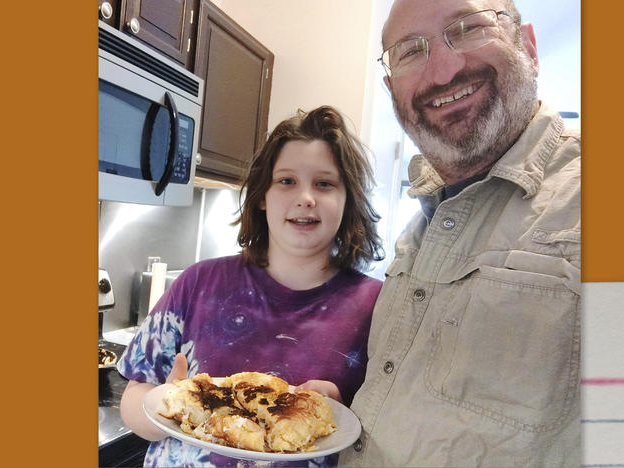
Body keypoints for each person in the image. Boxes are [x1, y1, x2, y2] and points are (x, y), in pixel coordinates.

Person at [339, 0, 581, 467]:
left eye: (468, 28)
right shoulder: (419, 230)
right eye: (410, 51)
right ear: (392, 89)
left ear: (527, 45)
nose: (443, 69)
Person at [117, 105, 386, 467]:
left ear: (347, 199)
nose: (305, 197)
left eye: (324, 183)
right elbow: (134, 401)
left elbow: (390, 432)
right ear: (262, 195)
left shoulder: (379, 307)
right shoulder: (199, 283)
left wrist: (334, 408)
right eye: (287, 180)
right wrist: (171, 404)